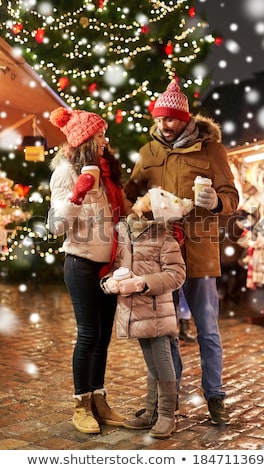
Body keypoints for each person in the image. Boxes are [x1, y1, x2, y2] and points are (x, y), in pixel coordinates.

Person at [124, 81, 239, 425]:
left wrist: (217, 201)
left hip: (200, 251)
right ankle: (167, 402)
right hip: (161, 254)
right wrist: (141, 207)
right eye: (159, 120)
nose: (164, 125)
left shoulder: (211, 150)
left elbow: (231, 196)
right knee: (164, 329)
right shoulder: (148, 154)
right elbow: (130, 196)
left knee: (206, 328)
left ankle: (215, 396)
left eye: (170, 120)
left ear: (184, 119)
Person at [48, 107, 127, 434]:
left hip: (109, 265)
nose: (104, 141)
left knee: (103, 337)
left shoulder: (107, 172)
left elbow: (118, 216)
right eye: (98, 136)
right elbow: (55, 226)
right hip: (80, 262)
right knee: (89, 334)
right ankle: (81, 404)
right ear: (84, 141)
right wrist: (77, 194)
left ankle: (98, 399)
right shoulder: (66, 171)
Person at [101, 189, 187, 438]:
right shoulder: (125, 233)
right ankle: (151, 412)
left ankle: (167, 415)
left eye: (143, 203)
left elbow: (176, 274)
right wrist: (111, 282)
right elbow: (118, 265)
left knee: (162, 362)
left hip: (156, 310)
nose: (137, 203)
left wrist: (142, 282)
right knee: (151, 365)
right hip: (134, 309)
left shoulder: (164, 237)